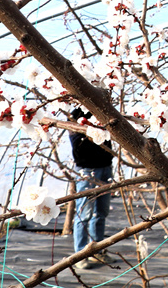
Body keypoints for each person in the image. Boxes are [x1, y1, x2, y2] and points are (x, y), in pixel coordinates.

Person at [69, 109, 115, 269]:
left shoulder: (101, 110)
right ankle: (80, 254)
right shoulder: (76, 115)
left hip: (105, 168)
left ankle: (97, 251)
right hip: (87, 171)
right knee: (84, 213)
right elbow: (78, 147)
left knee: (100, 213)